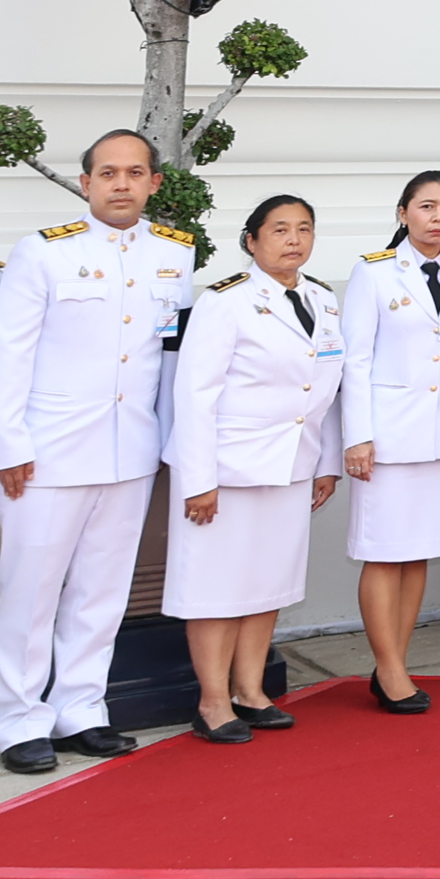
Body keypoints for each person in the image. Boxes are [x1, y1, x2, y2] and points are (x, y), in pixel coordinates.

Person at [0, 128, 194, 773]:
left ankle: (81, 706)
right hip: (46, 453)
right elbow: (10, 354)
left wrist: (170, 444)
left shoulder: (175, 254)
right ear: (87, 183)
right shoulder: (42, 253)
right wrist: (8, 441)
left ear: (154, 183)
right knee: (31, 589)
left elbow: (171, 355)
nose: (121, 184)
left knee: (103, 590)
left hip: (129, 448)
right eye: (108, 173)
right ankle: (17, 719)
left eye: (135, 173)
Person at [165, 194, 343, 743]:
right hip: (230, 469)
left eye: (304, 229)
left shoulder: (323, 301)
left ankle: (251, 690)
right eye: (280, 229)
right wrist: (199, 480)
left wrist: (326, 463)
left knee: (267, 584)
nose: (294, 240)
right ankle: (213, 701)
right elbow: (194, 396)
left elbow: (329, 389)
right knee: (216, 587)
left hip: (292, 463)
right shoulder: (227, 301)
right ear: (252, 241)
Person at [339, 169, 440, 716]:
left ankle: (394, 662)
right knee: (384, 553)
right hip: (389, 435)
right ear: (403, 213)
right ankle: (391, 668)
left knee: (417, 552)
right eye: (427, 207)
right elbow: (353, 360)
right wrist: (357, 436)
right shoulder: (375, 273)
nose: (439, 218)